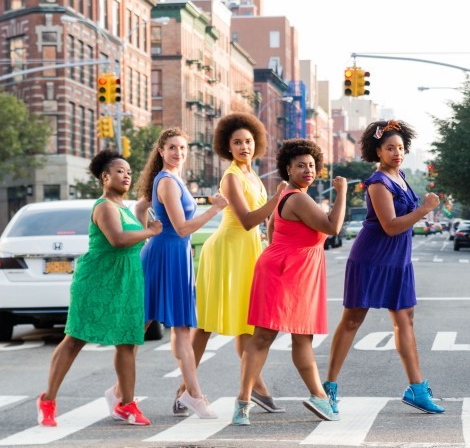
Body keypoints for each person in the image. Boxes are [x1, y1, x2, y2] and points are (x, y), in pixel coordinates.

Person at [323, 120, 445, 416]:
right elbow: (390, 226)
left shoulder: (400, 175)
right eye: (390, 148)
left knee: (405, 320)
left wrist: (421, 213)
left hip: (399, 261)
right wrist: (424, 210)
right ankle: (328, 387)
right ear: (377, 151)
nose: (396, 152)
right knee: (352, 320)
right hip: (372, 257)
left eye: (400, 147)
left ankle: (417, 389)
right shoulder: (378, 182)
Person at [38, 150, 162, 427]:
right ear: (105, 177)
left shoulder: (125, 208)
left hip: (128, 280)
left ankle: (127, 404)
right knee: (75, 339)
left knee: (127, 342)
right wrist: (150, 231)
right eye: (120, 171)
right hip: (97, 280)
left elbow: (135, 242)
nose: (126, 175)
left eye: (129, 171)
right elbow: (118, 239)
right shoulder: (104, 206)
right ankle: (48, 400)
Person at [179, 113, 288, 415]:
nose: (244, 147)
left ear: (257, 143)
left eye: (248, 141)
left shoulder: (252, 175)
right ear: (227, 147)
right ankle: (185, 389)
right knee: (207, 325)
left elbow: (264, 224)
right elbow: (248, 219)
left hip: (249, 252)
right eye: (237, 142)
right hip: (227, 250)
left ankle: (255, 388)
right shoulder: (231, 177)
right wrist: (277, 198)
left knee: (247, 322)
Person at [233, 139, 347, 426]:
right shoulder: (297, 197)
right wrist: (342, 192)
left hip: (294, 269)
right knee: (265, 337)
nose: (308, 170)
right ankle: (245, 402)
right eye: (300, 166)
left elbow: (272, 229)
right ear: (288, 168)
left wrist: (284, 252)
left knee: (300, 336)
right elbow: (333, 227)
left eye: (311, 165)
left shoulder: (289, 196)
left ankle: (316, 396)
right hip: (287, 270)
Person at [134, 127, 227, 419]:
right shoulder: (167, 183)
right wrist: (215, 210)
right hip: (164, 254)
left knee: (181, 328)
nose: (178, 153)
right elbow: (182, 228)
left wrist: (148, 227)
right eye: (172, 147)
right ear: (161, 151)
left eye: (183, 148)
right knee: (138, 326)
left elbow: (141, 207)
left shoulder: (173, 180)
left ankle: (191, 394)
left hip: (175, 254)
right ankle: (122, 393)